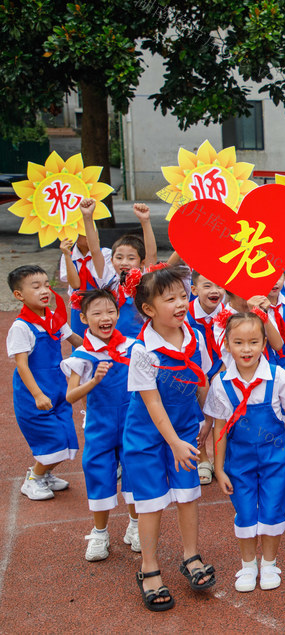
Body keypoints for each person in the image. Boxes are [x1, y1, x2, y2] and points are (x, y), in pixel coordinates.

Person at [124, 266, 215, 611]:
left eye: (183, 295)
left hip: (185, 429)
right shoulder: (142, 352)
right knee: (151, 503)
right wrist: (175, 442)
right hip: (148, 436)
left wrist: (207, 419)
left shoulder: (194, 336)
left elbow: (202, 379)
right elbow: (152, 403)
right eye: (170, 299)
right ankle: (149, 568)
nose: (181, 304)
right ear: (148, 309)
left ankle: (191, 556)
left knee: (188, 495)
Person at [206, 311, 285, 591]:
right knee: (245, 511)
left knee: (274, 510)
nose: (246, 349)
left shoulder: (278, 376)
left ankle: (270, 563)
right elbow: (219, 428)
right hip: (239, 463)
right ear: (226, 344)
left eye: (253, 342)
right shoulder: (221, 383)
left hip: (275, 461)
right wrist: (218, 468)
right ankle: (248, 564)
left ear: (264, 343)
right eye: (238, 342)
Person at [62, 289, 140, 560]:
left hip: (132, 423)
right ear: (83, 318)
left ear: (118, 314)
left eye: (110, 311)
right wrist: (93, 381)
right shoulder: (82, 356)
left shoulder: (131, 347)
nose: (105, 318)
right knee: (97, 472)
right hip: (99, 425)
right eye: (97, 313)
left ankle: (135, 525)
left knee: (134, 471)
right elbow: (70, 396)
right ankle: (100, 532)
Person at [8, 264, 82, 501]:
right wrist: (38, 395)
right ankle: (33, 479)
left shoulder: (54, 319)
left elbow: (75, 340)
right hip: (35, 395)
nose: (45, 290)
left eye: (47, 285)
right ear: (19, 295)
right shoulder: (21, 327)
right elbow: (22, 365)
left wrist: (102, 348)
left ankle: (45, 473)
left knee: (67, 436)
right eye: (36, 286)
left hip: (58, 389)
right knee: (53, 439)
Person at [186, 270, 225, 485]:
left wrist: (222, 372)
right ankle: (202, 457)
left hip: (222, 367)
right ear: (194, 290)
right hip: (194, 368)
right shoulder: (186, 315)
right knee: (196, 414)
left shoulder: (228, 314)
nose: (214, 291)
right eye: (207, 285)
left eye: (219, 286)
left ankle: (224, 457)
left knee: (227, 411)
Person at [59, 199, 114, 336]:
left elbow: (102, 277)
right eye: (85, 233)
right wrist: (67, 256)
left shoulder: (105, 253)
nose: (91, 236)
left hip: (100, 302)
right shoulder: (69, 256)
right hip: (79, 305)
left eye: (94, 232)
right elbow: (75, 284)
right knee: (80, 337)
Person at [108, 203, 159, 338]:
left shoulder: (143, 282)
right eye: (119, 257)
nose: (124, 262)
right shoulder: (109, 282)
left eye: (131, 258)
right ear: (112, 260)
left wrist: (145, 221)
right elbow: (95, 250)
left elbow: (151, 255)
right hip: (116, 346)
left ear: (142, 263)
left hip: (141, 344)